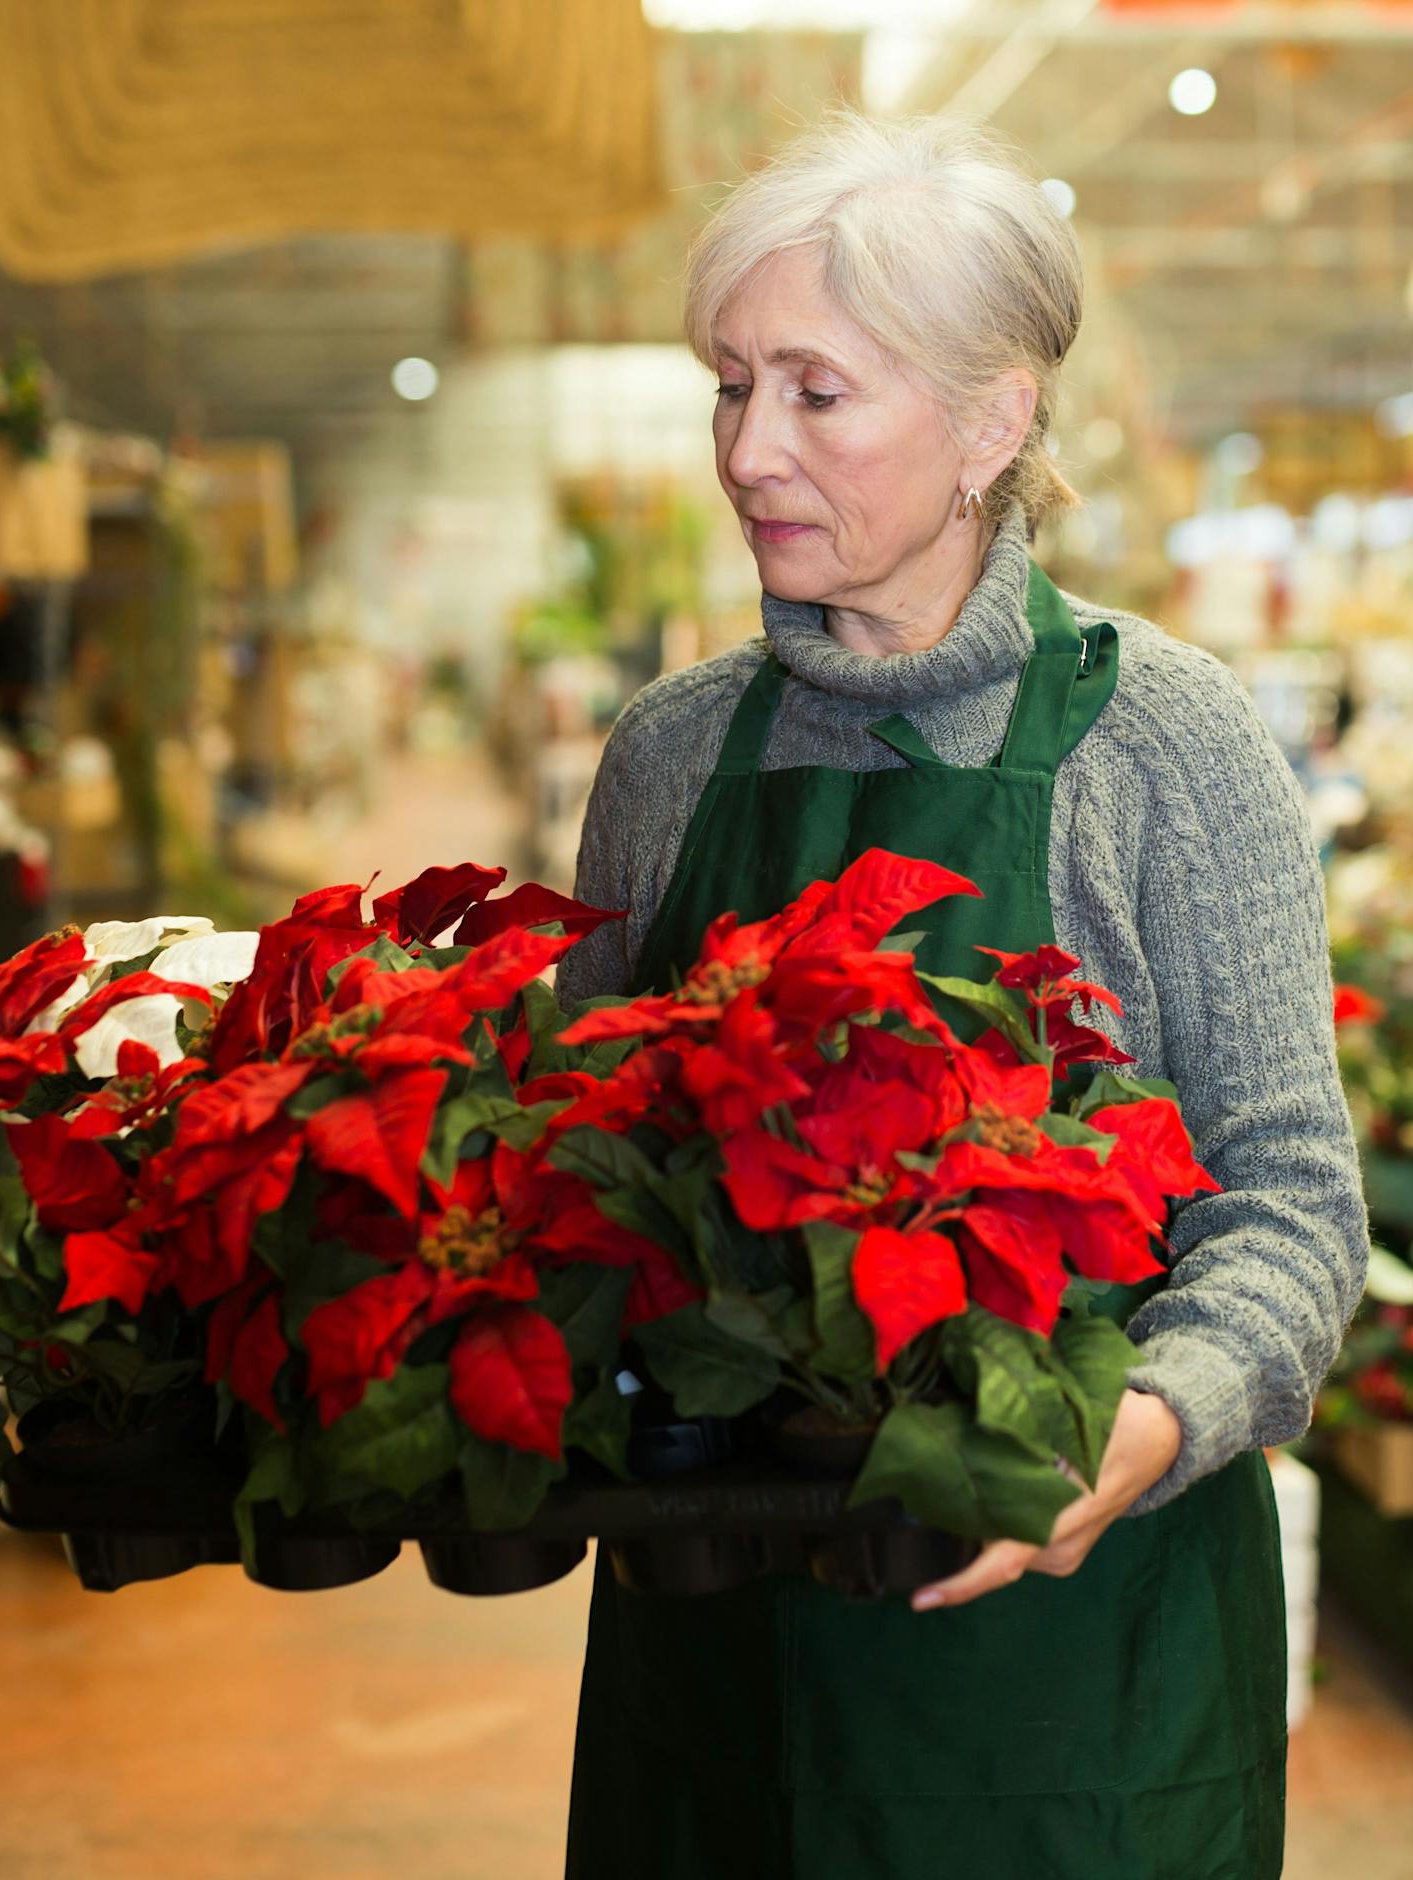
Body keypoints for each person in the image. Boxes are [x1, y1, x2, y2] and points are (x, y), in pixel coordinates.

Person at [556, 112, 1365, 1880]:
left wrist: (1132, 1432)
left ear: (994, 423)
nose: (750, 448)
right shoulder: (673, 757)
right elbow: (577, 1172)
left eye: (818, 393)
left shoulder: (1169, 746)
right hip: (724, 1665)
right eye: (730, 386)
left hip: (1085, 1689)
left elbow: (1293, 1207)